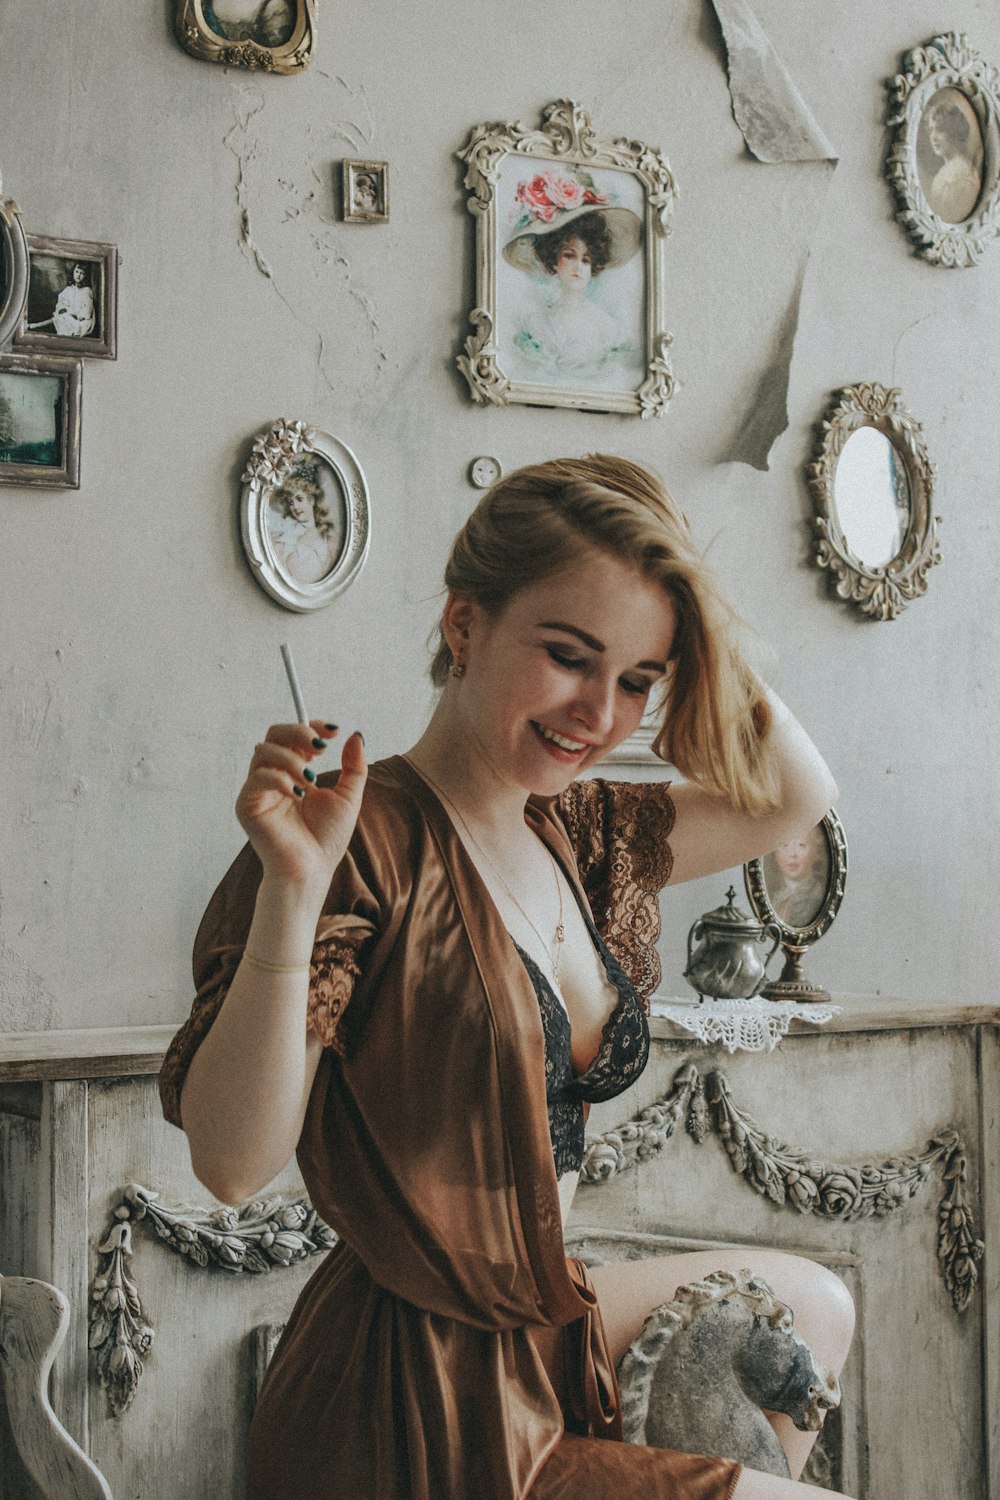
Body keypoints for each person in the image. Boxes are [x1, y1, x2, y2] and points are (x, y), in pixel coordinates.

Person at [160, 455, 855, 1500]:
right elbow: (227, 1162)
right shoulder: (356, 841)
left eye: (637, 681)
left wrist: (693, 614)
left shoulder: (582, 835)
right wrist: (291, 893)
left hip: (527, 1339)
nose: (600, 714)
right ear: (464, 626)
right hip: (400, 1400)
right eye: (570, 657)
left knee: (814, 1308)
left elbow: (797, 794)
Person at [504, 169, 642, 383]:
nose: (578, 266)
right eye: (569, 255)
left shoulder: (607, 328)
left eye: (586, 260)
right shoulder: (536, 323)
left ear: (594, 265)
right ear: (554, 260)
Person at [267, 466, 341, 585]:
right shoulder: (284, 537)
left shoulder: (329, 537)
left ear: (311, 500)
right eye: (291, 502)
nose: (295, 507)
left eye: (299, 499)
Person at [925, 97, 981, 223]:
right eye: (931, 130)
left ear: (953, 131)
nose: (933, 137)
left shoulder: (960, 173)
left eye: (940, 130)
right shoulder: (948, 170)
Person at [763, 825, 828, 929]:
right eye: (784, 845)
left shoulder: (818, 894)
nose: (792, 854)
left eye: (801, 845)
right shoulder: (776, 898)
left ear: (816, 852)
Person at [28, 262, 96, 338]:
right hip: (69, 318)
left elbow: (86, 314)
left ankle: (34, 326)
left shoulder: (86, 291)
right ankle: (33, 326)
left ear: (85, 276)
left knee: (61, 318)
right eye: (76, 272)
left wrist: (70, 312)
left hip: (82, 323)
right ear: (73, 272)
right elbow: (61, 304)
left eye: (82, 273)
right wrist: (64, 310)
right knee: (61, 317)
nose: (79, 275)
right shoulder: (69, 289)